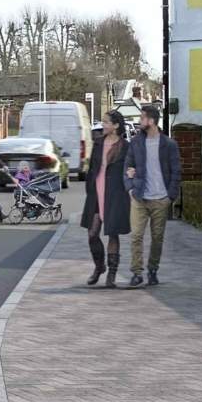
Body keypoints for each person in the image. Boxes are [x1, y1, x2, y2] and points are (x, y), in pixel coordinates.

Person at [124, 103, 181, 287]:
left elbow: (176, 172)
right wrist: (130, 188)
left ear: (152, 120)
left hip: (160, 199)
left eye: (142, 118)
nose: (140, 121)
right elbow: (127, 167)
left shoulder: (169, 144)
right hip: (139, 197)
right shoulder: (135, 142)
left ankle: (153, 269)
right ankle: (136, 273)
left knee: (157, 238)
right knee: (136, 236)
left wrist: (170, 196)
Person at [82, 111, 132, 286]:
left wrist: (132, 176)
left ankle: (111, 274)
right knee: (92, 233)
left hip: (116, 195)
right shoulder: (98, 143)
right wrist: (89, 188)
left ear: (116, 125)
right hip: (96, 194)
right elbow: (92, 168)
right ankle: (99, 266)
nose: (103, 125)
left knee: (112, 234)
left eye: (106, 122)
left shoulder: (125, 147)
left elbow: (132, 167)